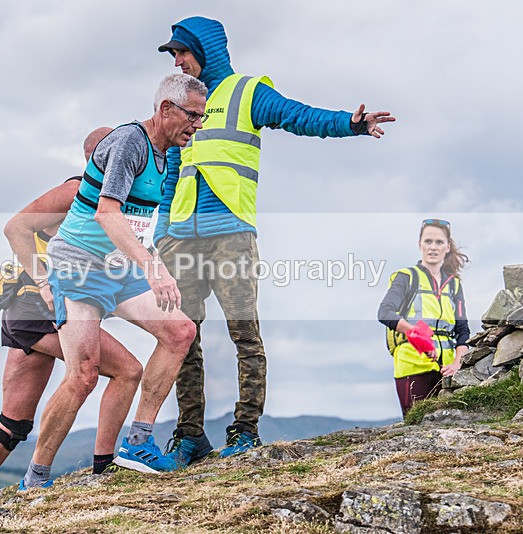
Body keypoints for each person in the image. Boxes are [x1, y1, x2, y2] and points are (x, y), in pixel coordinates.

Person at [154, 16, 397, 466]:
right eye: (174, 55)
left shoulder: (248, 92)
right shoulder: (183, 105)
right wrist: (160, 237)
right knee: (182, 339)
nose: (178, 62)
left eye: (182, 52)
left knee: (244, 334)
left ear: (204, 50)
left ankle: (245, 431)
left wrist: (350, 123)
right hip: (180, 240)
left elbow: (297, 115)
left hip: (231, 235)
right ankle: (190, 437)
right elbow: (172, 174)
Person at [20, 73, 207, 486]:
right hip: (78, 265)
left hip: (118, 267)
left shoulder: (165, 155)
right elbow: (107, 213)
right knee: (83, 376)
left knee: (180, 332)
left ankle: (137, 443)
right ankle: (36, 477)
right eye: (193, 115)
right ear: (165, 109)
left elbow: (136, 223)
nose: (197, 125)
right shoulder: (129, 143)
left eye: (202, 117)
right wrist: (153, 270)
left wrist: (153, 261)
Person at [0, 127, 143, 509]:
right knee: (125, 370)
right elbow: (15, 228)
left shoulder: (113, 204)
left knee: (14, 423)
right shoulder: (76, 192)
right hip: (35, 307)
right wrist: (44, 281)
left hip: (28, 311)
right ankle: (101, 468)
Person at [378, 219, 470, 416]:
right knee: (417, 428)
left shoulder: (454, 285)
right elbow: (385, 312)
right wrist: (417, 336)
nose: (433, 247)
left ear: (447, 247)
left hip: (446, 371)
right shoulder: (406, 277)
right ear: (420, 244)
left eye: (439, 242)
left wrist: (457, 363)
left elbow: (463, 331)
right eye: (428, 241)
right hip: (413, 368)